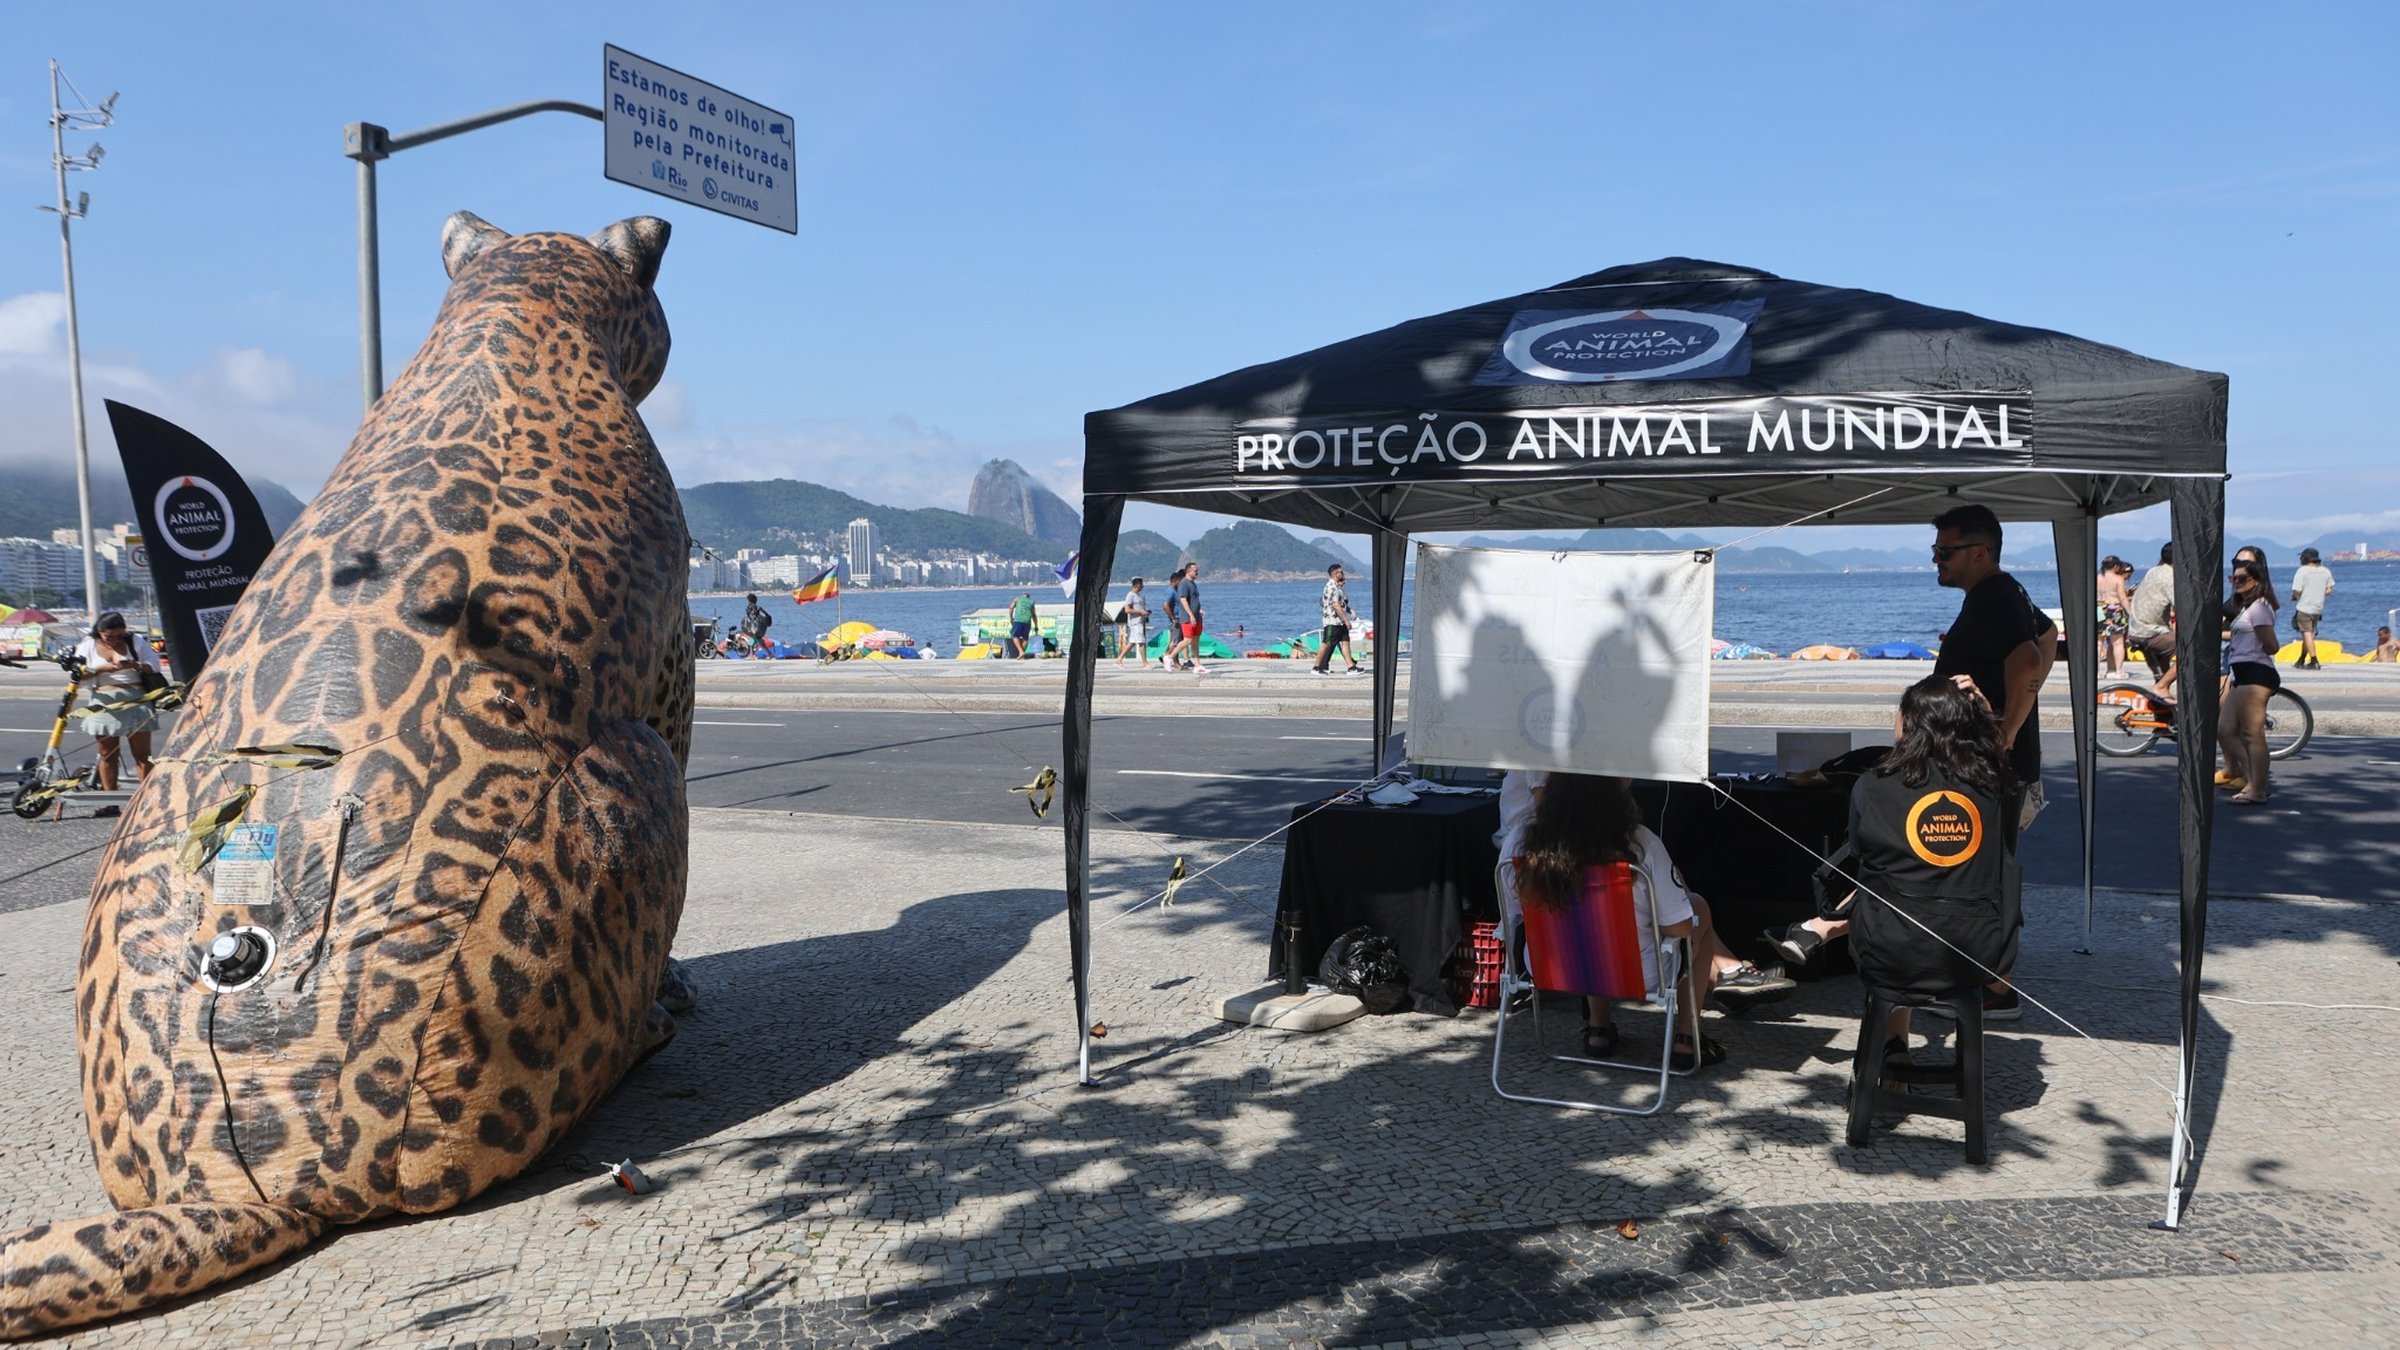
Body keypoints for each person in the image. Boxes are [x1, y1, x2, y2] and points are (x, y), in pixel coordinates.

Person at [1514, 774, 1792, 1071]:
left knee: (1583, 929)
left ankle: (1599, 1029)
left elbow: (1514, 912)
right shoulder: (1640, 844)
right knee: (1698, 908)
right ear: (1615, 797)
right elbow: (1681, 928)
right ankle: (1687, 1038)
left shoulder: (1522, 842)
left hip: (1551, 967)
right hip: (1638, 973)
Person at [1844, 675, 2022, 1058]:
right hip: (1979, 951)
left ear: (1908, 722)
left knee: (1886, 893)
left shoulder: (1874, 785)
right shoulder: (1992, 786)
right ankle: (1895, 1044)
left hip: (1889, 950)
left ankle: (1892, 1046)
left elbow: (1860, 851)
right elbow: (1999, 751)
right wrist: (1984, 713)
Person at [1928, 503, 2055, 846]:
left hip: (1987, 767)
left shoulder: (1994, 596)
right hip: (1994, 766)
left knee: (1982, 874)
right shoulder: (2006, 590)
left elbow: (2028, 660)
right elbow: (2047, 634)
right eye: (1935, 550)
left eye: (1945, 551)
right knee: (1992, 870)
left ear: (1980, 553)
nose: (1936, 559)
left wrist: (2006, 732)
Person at [72, 612, 162, 795]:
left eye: (119, 636)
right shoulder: (87, 646)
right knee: (107, 755)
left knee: (143, 756)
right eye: (109, 637)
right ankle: (110, 800)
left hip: (136, 699)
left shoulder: (134, 641)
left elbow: (154, 664)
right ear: (99, 631)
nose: (114, 640)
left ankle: (145, 801)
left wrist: (135, 665)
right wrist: (101, 669)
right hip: (104, 701)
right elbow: (77, 675)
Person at [2219, 559, 2279, 805]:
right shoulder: (2248, 606)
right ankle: (2250, 777)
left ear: (2257, 581)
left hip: (2256, 672)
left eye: (2242, 578)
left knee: (2252, 733)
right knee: (2225, 728)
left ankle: (2257, 788)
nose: (2236, 583)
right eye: (2233, 578)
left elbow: (2272, 645)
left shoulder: (2260, 607)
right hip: (2241, 673)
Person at [2126, 544, 2178, 697]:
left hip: (2136, 630)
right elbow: (2182, 607)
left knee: (2162, 669)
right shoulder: (2171, 577)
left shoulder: (2152, 571)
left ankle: (2162, 703)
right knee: (2191, 649)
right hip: (2150, 632)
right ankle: (2162, 687)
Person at [1312, 563, 1364, 675]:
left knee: (1345, 642)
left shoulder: (1337, 587)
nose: (1343, 574)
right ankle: (1316, 667)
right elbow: (1335, 605)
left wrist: (1350, 610)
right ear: (1336, 574)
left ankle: (1351, 667)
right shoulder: (1331, 587)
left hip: (1340, 622)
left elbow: (1341, 604)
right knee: (1326, 643)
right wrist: (1346, 620)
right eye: (1341, 572)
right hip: (1333, 621)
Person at [2291, 547, 2335, 669]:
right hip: (2318, 608)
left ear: (2305, 558)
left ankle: (2314, 660)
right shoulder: (2325, 571)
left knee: (2307, 633)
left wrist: (2294, 597)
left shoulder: (2302, 571)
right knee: (2308, 635)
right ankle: (2301, 659)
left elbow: (2297, 591)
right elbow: (2329, 589)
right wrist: (2319, 593)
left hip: (2304, 607)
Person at [2096, 556, 2134, 678]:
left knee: (2098, 643)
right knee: (2117, 643)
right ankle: (2118, 671)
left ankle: (2096, 672)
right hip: (2114, 609)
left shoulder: (2098, 578)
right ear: (2116, 566)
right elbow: (2122, 598)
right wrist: (2130, 612)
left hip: (2099, 609)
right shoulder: (2118, 579)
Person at [1166, 563, 1208, 674]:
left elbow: (1192, 600)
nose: (1197, 572)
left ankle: (1197, 665)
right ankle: (1169, 657)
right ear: (1188, 571)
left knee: (1195, 641)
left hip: (1197, 617)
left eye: (1197, 570)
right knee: (1188, 640)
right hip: (1188, 618)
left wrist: (1198, 611)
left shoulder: (1193, 584)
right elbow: (1183, 600)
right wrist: (1191, 615)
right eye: (1195, 570)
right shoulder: (1184, 583)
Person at [1115, 577, 1150, 668]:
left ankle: (1119, 659)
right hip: (1135, 622)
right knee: (1141, 642)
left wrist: (1145, 612)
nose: (1143, 586)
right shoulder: (1130, 595)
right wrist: (1140, 612)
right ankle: (1144, 662)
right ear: (1137, 585)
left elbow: (1140, 607)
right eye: (1142, 584)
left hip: (1140, 621)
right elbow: (1127, 610)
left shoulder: (1139, 596)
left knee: (1132, 642)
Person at [1007, 591, 1037, 659]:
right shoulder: (1031, 602)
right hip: (1027, 621)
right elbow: (1034, 615)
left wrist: (1011, 617)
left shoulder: (1017, 599)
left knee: (1014, 636)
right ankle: (1021, 654)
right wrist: (1036, 625)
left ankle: (1021, 651)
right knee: (1025, 638)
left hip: (1018, 620)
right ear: (1029, 597)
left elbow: (1011, 607)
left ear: (1022, 595)